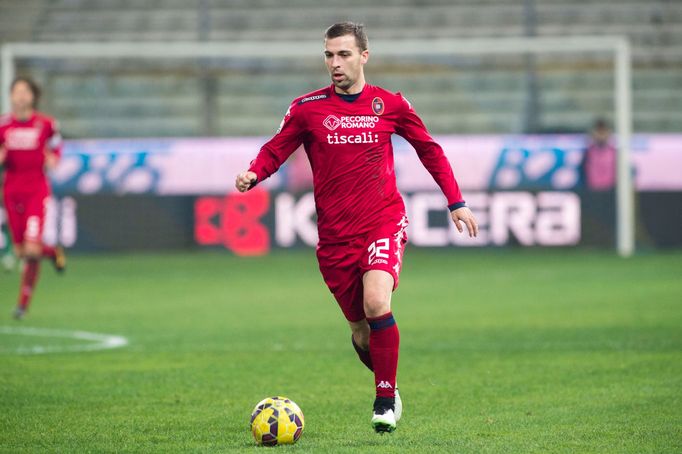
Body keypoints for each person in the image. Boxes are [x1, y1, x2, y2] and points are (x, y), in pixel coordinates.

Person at [235, 22, 478, 433]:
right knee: (362, 332)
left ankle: (383, 403)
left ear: (364, 55)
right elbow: (276, 148)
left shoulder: (391, 104)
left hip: (383, 220)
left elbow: (429, 150)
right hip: (334, 238)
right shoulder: (307, 108)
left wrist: (456, 201)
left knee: (376, 301)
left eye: (343, 54)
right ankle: (389, 382)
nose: (335, 63)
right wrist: (255, 173)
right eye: (329, 55)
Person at [0, 76, 66, 320]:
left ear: (32, 96)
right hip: (11, 190)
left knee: (30, 249)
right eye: (16, 91)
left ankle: (22, 304)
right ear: (10, 96)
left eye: (25, 91)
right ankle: (54, 251)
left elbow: (57, 145)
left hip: (36, 191)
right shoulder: (3, 126)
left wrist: (54, 158)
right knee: (21, 251)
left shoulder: (46, 124)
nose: (20, 96)